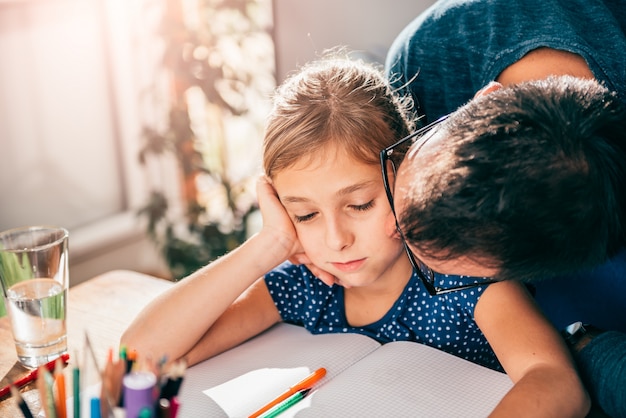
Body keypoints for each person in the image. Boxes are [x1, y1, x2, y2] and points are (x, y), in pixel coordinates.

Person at [121, 55, 589, 416]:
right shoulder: (303, 285)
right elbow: (143, 356)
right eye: (304, 214)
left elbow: (555, 379)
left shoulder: (460, 274)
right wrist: (270, 245)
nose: (335, 238)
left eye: (359, 205)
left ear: (407, 175)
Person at [384, 1, 626, 416]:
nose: (386, 228)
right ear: (484, 97)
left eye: (453, 272)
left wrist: (586, 349)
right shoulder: (421, 57)